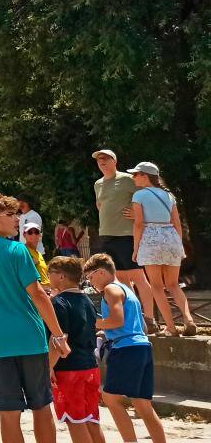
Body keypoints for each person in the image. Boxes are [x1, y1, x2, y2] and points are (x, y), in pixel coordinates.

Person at [0, 192, 71, 443]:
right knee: (41, 406)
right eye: (10, 215)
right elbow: (38, 295)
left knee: (8, 413)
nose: (17, 220)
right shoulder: (17, 250)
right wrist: (58, 334)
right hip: (30, 340)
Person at [82, 254, 167, 443]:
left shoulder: (111, 289)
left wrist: (94, 323)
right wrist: (107, 332)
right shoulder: (127, 290)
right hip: (143, 346)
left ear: (101, 272)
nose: (90, 282)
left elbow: (117, 320)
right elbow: (141, 327)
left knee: (110, 398)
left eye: (90, 277)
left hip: (126, 349)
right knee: (143, 405)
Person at [91, 149, 158, 334]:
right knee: (120, 280)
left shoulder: (128, 179)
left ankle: (150, 319)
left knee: (138, 277)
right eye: (99, 160)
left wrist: (138, 214)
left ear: (114, 160)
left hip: (127, 235)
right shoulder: (98, 184)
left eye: (106, 159)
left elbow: (148, 196)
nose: (102, 162)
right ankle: (134, 318)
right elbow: (100, 206)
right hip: (106, 234)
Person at [129, 162, 197, 336]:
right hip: (171, 237)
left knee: (157, 286)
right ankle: (189, 319)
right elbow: (177, 223)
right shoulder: (169, 195)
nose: (133, 177)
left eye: (136, 174)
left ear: (145, 176)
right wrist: (179, 244)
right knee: (174, 284)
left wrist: (136, 249)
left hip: (151, 239)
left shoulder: (139, 195)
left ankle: (171, 328)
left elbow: (138, 224)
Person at [46, 257, 105, 443]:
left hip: (69, 369)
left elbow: (60, 340)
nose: (48, 276)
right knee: (91, 419)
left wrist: (48, 368)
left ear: (61, 276)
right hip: (91, 367)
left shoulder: (58, 303)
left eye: (51, 273)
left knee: (75, 421)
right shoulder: (87, 300)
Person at [23, 223, 51, 290]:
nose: (34, 235)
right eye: (30, 232)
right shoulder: (23, 251)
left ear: (40, 235)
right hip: (38, 290)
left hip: (47, 289)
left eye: (36, 232)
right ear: (24, 235)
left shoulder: (39, 254)